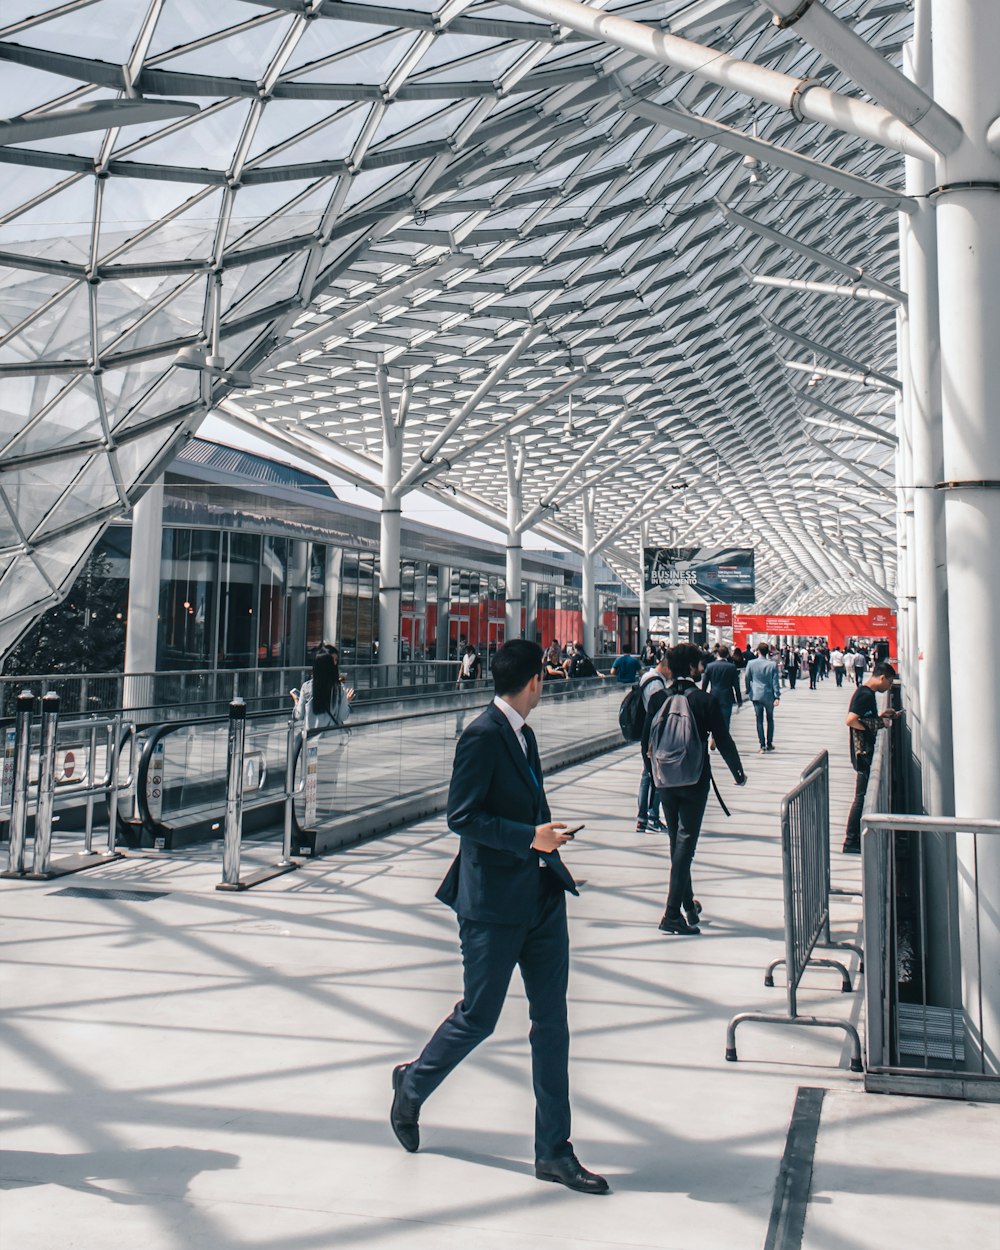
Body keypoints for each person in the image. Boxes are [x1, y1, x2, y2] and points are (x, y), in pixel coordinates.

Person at [390, 640, 608, 1195]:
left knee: (551, 1024)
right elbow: (461, 816)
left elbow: (526, 809)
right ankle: (411, 1085)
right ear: (534, 680)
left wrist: (546, 842)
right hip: (491, 906)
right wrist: (526, 839)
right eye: (546, 676)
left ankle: (554, 1151)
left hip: (539, 895)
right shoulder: (483, 736)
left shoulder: (524, 735)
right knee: (479, 1015)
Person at [641, 643, 746, 935]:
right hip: (695, 779)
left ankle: (687, 905)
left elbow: (644, 741)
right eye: (698, 665)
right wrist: (738, 772)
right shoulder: (704, 701)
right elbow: (723, 740)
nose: (701, 670)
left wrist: (654, 774)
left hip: (665, 780)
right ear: (690, 668)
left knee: (678, 843)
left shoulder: (657, 698)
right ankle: (672, 914)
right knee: (685, 843)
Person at [842, 662, 900, 853]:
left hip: (864, 753)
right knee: (861, 798)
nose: (889, 687)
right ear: (882, 678)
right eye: (890, 683)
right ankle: (851, 841)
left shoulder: (868, 694)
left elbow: (864, 718)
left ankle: (854, 838)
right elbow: (851, 720)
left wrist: (881, 716)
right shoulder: (864, 694)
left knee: (862, 796)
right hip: (862, 753)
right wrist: (877, 723)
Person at [636, 655, 669, 833]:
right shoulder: (656, 684)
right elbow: (657, 711)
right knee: (655, 776)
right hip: (653, 735)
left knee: (647, 776)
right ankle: (652, 818)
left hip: (647, 733)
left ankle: (643, 819)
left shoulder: (647, 677)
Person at [291, 644, 354, 732]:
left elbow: (298, 716)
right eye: (334, 661)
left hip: (311, 739)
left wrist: (296, 701)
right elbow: (342, 716)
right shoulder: (339, 688)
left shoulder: (307, 687)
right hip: (332, 739)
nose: (335, 663)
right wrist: (347, 702)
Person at [701, 645, 743, 749]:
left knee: (713, 720)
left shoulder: (710, 666)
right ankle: (723, 742)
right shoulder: (731, 667)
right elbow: (736, 686)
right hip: (727, 697)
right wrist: (739, 700)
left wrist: (702, 697)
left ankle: (714, 737)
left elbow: (704, 684)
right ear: (728, 655)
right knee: (725, 721)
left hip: (713, 696)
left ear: (717, 654)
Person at [745, 641, 781, 753]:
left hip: (756, 695)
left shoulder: (751, 663)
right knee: (770, 719)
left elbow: (747, 678)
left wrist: (748, 690)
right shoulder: (772, 664)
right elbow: (775, 682)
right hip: (769, 695)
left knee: (759, 720)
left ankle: (762, 744)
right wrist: (777, 696)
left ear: (758, 651)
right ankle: (769, 743)